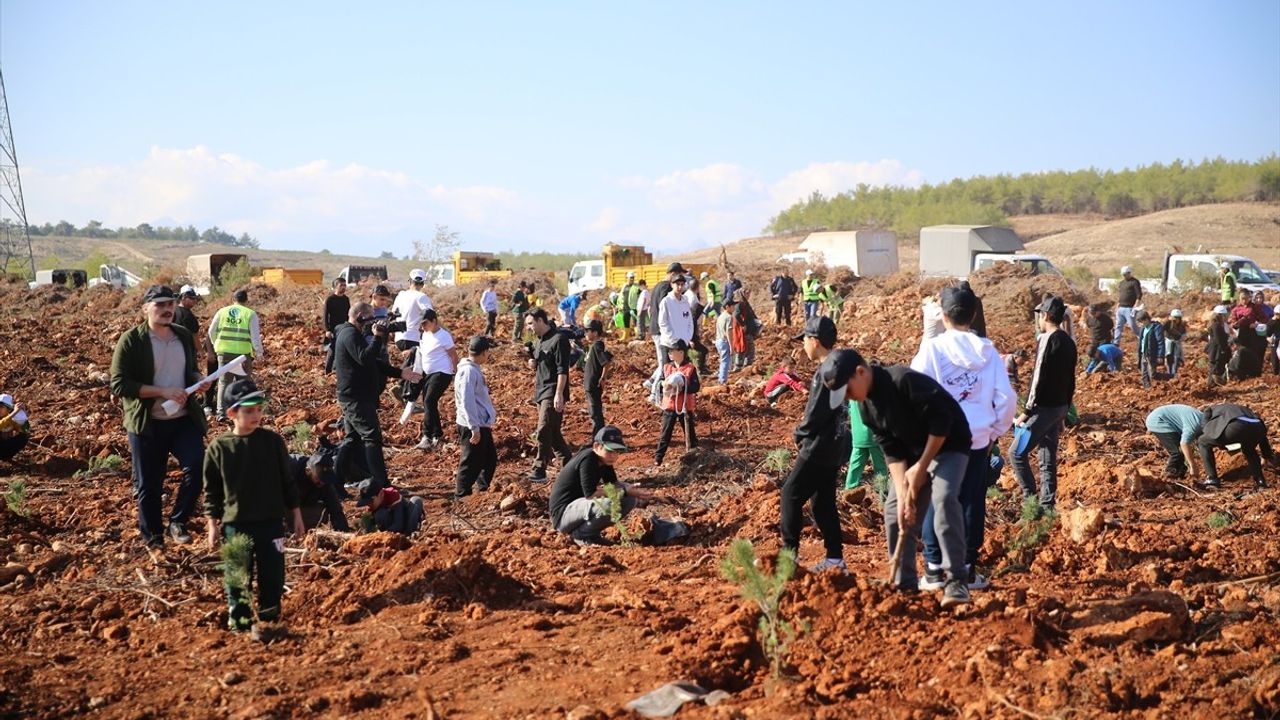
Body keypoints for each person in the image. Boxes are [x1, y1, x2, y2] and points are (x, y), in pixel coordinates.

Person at [825, 348, 972, 606]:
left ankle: (957, 581)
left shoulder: (902, 381)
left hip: (948, 444)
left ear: (860, 372)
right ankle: (905, 585)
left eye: (847, 391)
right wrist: (904, 495)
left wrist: (922, 467)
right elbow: (891, 451)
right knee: (895, 509)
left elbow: (942, 423)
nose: (848, 398)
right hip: (913, 453)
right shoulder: (865, 408)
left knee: (944, 500)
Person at [911, 284, 1017, 591]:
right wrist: (995, 430)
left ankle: (933, 570)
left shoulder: (933, 349)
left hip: (942, 439)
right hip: (977, 439)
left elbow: (916, 391)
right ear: (972, 315)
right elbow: (1007, 398)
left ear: (943, 316)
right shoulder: (988, 351)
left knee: (937, 499)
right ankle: (967, 569)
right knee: (971, 501)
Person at [111, 285, 211, 549]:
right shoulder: (132, 340)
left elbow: (190, 370)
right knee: (149, 485)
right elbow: (119, 384)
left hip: (182, 420)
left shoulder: (182, 336)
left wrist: (198, 380)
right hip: (148, 423)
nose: (168, 309)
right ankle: (153, 538)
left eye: (171, 304)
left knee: (198, 467)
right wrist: (161, 391)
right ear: (146, 308)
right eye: (161, 305)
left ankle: (178, 521)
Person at [202, 378, 304, 634]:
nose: (256, 415)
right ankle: (241, 623)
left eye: (259, 409)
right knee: (238, 577)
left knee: (273, 577)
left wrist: (296, 514)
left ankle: (270, 621)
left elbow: (287, 481)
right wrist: (212, 525)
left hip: (270, 523)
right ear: (231, 413)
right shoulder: (220, 448)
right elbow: (212, 491)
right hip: (236, 525)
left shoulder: (272, 442)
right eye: (248, 411)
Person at [779, 316, 851, 573]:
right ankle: (835, 559)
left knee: (790, 494)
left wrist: (800, 433)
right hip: (837, 443)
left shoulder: (825, 370)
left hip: (820, 445)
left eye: (804, 341)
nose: (802, 347)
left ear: (815, 341)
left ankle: (789, 557)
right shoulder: (839, 366)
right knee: (822, 503)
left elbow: (816, 413)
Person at [334, 302, 420, 508]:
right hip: (355, 398)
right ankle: (382, 485)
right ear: (360, 317)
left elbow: (372, 362)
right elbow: (366, 358)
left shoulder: (351, 334)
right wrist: (378, 337)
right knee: (372, 438)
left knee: (352, 439)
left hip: (356, 396)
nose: (372, 322)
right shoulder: (350, 335)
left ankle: (336, 483)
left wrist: (399, 372)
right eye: (370, 317)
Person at [1011, 296, 1077, 516]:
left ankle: (1031, 504)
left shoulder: (1046, 339)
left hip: (1044, 409)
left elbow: (1037, 378)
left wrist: (1026, 412)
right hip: (1058, 408)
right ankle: (1048, 505)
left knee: (1016, 453)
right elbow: (1071, 380)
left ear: (1046, 316)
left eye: (1040, 315)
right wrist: (1064, 412)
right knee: (1046, 456)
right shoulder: (1069, 341)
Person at [550, 426, 654, 545]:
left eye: (616, 452)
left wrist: (634, 490)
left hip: (578, 510)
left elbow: (613, 484)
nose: (613, 456)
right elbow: (591, 494)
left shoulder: (604, 460)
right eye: (609, 451)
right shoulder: (588, 458)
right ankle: (581, 535)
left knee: (629, 499)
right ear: (596, 446)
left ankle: (591, 534)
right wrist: (625, 490)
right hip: (563, 516)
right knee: (610, 503)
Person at [526, 308, 574, 482]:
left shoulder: (559, 340)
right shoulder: (539, 341)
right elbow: (542, 365)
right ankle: (572, 469)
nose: (529, 328)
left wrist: (559, 394)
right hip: (541, 391)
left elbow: (563, 370)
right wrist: (534, 363)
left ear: (540, 320)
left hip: (553, 391)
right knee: (553, 434)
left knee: (544, 429)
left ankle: (539, 469)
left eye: (531, 323)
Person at [208, 288, 264, 418]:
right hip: (242, 355)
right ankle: (243, 413)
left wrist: (216, 345)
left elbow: (211, 331)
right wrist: (259, 353)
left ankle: (221, 413)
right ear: (246, 301)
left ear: (233, 300)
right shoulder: (250, 314)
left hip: (223, 352)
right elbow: (255, 336)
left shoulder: (221, 312)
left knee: (223, 382)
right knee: (244, 383)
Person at [454, 336, 498, 498]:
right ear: (484, 352)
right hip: (472, 424)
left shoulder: (473, 369)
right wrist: (474, 428)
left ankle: (481, 491)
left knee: (489, 459)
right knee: (470, 462)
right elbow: (467, 401)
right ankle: (461, 495)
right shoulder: (468, 371)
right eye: (488, 352)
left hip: (480, 422)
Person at [1197, 403, 1277, 489]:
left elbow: (1205, 428)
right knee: (1249, 449)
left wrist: (1219, 442)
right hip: (1259, 427)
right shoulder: (1241, 408)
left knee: (1202, 441)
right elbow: (1263, 437)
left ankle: (1212, 479)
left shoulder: (1209, 409)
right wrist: (1267, 455)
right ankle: (1260, 481)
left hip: (1236, 426)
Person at [410, 309, 458, 450]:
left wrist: (456, 372)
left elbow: (453, 356)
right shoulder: (425, 335)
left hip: (442, 372)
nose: (423, 326)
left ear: (434, 321)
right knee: (428, 404)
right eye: (421, 324)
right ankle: (433, 436)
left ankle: (430, 436)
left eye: (425, 323)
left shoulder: (444, 336)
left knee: (429, 401)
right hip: (428, 374)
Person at [655, 339, 699, 465]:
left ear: (681, 352)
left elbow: (696, 387)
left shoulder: (690, 369)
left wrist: (682, 388)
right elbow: (660, 383)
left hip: (685, 407)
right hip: (669, 406)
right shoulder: (667, 367)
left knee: (690, 435)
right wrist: (663, 384)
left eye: (672, 351)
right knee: (665, 434)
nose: (670, 353)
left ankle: (694, 458)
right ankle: (658, 459)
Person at [652, 272, 694, 404]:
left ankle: (679, 400)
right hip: (669, 344)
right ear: (672, 285)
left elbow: (689, 322)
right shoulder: (666, 301)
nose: (680, 287)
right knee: (667, 372)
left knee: (682, 371)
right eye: (677, 284)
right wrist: (673, 339)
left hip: (683, 344)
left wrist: (686, 339)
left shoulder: (685, 301)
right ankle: (659, 398)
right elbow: (663, 323)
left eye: (682, 284)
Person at [174, 285, 217, 412]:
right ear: (184, 298)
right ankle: (188, 403)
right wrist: (202, 352)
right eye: (192, 299)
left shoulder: (172, 312)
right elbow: (195, 337)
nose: (194, 301)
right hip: (187, 353)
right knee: (189, 376)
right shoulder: (189, 316)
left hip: (172, 351)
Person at [289, 448, 350, 532]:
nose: (322, 482)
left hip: (301, 508)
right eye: (319, 478)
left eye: (325, 479)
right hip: (281, 508)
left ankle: (298, 529)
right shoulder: (290, 468)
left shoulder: (324, 483)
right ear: (308, 470)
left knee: (323, 513)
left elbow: (335, 508)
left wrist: (344, 533)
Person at [1144, 404, 1203, 480]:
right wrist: (1193, 466)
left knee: (1182, 455)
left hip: (1166, 419)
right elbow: (1184, 444)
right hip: (1159, 420)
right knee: (1177, 452)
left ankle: (1180, 477)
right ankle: (1169, 477)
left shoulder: (1204, 419)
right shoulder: (1194, 426)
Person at [577, 320, 614, 436]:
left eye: (587, 331)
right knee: (595, 411)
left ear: (595, 333)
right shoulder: (593, 346)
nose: (585, 333)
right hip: (590, 384)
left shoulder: (597, 346)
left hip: (593, 384)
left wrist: (603, 378)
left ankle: (598, 437)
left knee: (595, 412)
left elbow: (606, 362)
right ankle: (599, 436)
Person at [845, 400, 887, 489]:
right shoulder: (870, 389)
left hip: (858, 435)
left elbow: (849, 409)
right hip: (874, 434)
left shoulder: (853, 393)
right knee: (880, 467)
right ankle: (882, 492)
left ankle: (849, 491)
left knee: (855, 467)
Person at [730, 289, 759, 370]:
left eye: (749, 293)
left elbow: (751, 313)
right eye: (747, 293)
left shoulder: (745, 303)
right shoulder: (740, 303)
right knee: (743, 347)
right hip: (743, 331)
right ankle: (738, 366)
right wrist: (743, 325)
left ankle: (747, 366)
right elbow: (736, 315)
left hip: (749, 330)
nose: (748, 295)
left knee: (749, 348)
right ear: (743, 294)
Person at [1113, 266, 1142, 344]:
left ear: (1129, 273)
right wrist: (1117, 305)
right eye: (1123, 274)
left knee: (1132, 326)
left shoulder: (1134, 282)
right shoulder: (1122, 283)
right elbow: (1121, 295)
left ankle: (1142, 338)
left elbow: (1139, 295)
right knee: (1118, 326)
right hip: (1121, 307)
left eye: (1125, 274)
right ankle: (1116, 342)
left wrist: (1135, 306)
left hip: (1129, 308)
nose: (1124, 276)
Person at [1136, 310, 1165, 389]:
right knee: (1144, 374)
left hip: (1151, 354)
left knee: (1153, 375)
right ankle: (1147, 390)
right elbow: (1141, 342)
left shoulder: (1156, 327)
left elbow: (1160, 342)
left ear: (1146, 319)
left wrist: (1160, 356)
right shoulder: (1143, 329)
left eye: (1141, 322)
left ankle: (1171, 377)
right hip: (1143, 354)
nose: (1140, 324)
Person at [0, 393, 30, 462]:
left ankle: (6, 457)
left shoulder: (13, 419)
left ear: (8, 409)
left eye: (1, 407)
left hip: (2, 446)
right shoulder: (12, 416)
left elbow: (25, 430)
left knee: (23, 437)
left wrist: (23, 414)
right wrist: (15, 412)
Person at [1206, 305, 1231, 386]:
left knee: (1217, 367)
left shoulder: (1217, 324)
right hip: (1216, 350)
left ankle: (1213, 386)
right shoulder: (1216, 325)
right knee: (1214, 369)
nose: (1224, 317)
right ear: (1219, 315)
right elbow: (1218, 339)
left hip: (1216, 349)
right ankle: (1211, 386)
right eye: (1223, 315)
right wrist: (1223, 349)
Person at [714, 295, 735, 384]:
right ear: (727, 307)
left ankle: (721, 378)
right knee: (725, 362)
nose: (734, 308)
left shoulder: (720, 316)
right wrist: (731, 346)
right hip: (724, 341)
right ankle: (722, 381)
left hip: (718, 341)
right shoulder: (729, 317)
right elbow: (728, 332)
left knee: (723, 360)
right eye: (732, 306)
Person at [1163, 309, 1187, 378]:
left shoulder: (1182, 325)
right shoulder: (1168, 323)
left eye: (1178, 318)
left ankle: (1174, 372)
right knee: (1168, 357)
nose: (1177, 319)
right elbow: (1162, 330)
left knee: (1177, 358)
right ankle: (1168, 372)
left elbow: (1184, 334)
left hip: (1177, 343)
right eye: (1175, 317)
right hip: (1169, 342)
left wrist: (1183, 337)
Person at [619, 272, 637, 341]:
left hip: (633, 307)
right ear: (627, 278)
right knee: (626, 321)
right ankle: (625, 337)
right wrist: (620, 305)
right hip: (625, 307)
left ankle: (637, 336)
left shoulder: (635, 286)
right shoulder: (625, 286)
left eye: (633, 278)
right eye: (630, 278)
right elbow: (621, 296)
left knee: (635, 322)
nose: (632, 279)